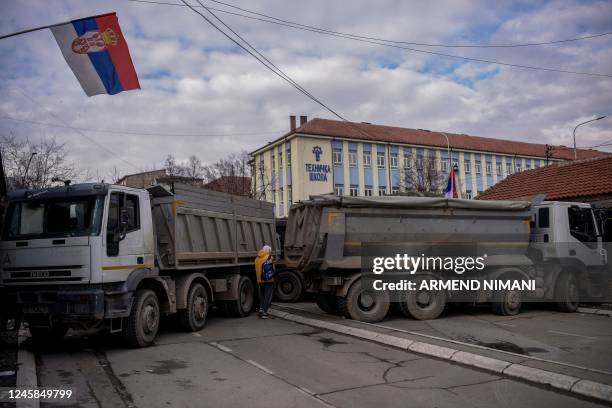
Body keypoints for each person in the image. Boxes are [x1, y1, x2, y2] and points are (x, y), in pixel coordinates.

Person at [254, 245, 275, 319]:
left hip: (260, 280)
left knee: (262, 296)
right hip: (268, 280)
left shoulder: (256, 259)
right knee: (267, 296)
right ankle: (265, 313)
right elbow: (273, 269)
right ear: (268, 251)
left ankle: (261, 309)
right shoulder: (270, 257)